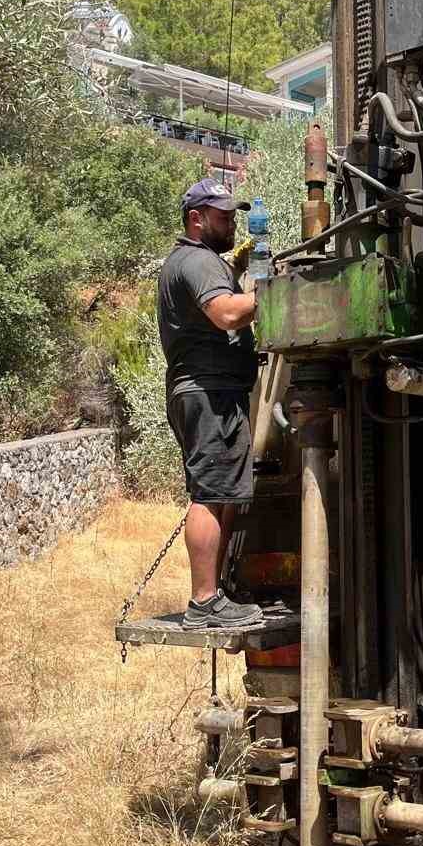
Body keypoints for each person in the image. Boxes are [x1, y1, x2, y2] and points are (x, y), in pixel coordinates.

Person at [158, 178, 264, 628]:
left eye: (233, 215)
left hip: (209, 391)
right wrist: (269, 293)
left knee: (220, 492)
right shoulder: (199, 262)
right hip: (208, 392)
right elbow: (225, 314)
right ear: (196, 219)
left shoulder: (197, 261)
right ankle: (204, 602)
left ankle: (213, 597)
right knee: (208, 494)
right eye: (223, 216)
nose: (232, 223)